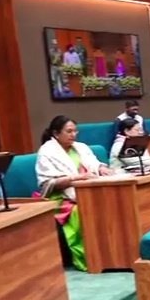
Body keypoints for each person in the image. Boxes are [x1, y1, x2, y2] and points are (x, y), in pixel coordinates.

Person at [35, 115, 114, 271]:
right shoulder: (46, 152)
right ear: (56, 134)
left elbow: (94, 164)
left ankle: (111, 253)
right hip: (61, 197)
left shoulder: (81, 147)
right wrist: (76, 177)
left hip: (88, 191)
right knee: (81, 211)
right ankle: (90, 258)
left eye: (75, 131)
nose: (73, 135)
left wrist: (102, 168)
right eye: (69, 131)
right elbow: (48, 183)